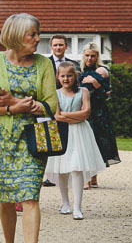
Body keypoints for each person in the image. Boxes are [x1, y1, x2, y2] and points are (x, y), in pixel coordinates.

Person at [0, 13, 58, 243]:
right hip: (1, 139)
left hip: (33, 139)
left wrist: (29, 105)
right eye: (32, 34)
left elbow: (51, 105)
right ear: (15, 36)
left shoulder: (44, 64)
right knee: (6, 197)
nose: (37, 39)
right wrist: (12, 107)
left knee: (30, 196)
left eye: (38, 33)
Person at [44, 62, 105, 219]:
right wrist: (71, 116)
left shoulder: (83, 91)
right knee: (62, 169)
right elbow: (56, 115)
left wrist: (66, 115)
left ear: (75, 76)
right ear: (58, 77)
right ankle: (65, 202)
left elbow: (86, 113)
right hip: (62, 132)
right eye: (63, 76)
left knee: (77, 168)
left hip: (80, 133)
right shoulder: (55, 93)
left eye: (69, 76)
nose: (66, 79)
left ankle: (77, 207)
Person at [79, 42, 120, 186]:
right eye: (87, 55)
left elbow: (105, 94)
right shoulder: (80, 70)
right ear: (83, 55)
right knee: (85, 142)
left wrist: (94, 82)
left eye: (93, 56)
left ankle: (93, 177)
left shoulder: (102, 71)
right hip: (84, 110)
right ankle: (87, 176)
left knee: (96, 142)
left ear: (97, 57)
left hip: (99, 112)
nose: (90, 58)